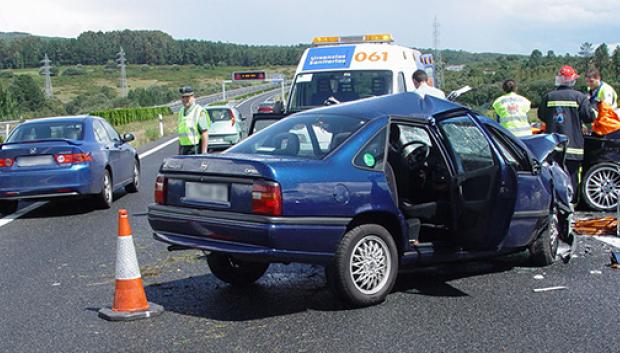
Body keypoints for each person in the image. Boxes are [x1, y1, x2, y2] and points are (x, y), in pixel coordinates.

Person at [537, 65, 595, 200]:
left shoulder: (549, 96)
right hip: (574, 147)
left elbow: (542, 116)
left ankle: (556, 204)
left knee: (554, 176)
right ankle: (570, 205)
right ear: (572, 80)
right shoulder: (580, 97)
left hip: (553, 147)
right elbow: (589, 117)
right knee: (572, 177)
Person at [177, 86, 210, 155]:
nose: (185, 99)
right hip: (183, 148)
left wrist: (204, 152)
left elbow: (204, 133)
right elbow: (181, 134)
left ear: (193, 97)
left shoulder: (199, 111)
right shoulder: (181, 111)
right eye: (183, 97)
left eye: (187, 97)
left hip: (195, 148)